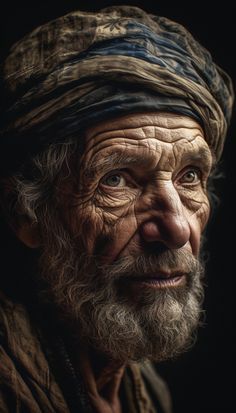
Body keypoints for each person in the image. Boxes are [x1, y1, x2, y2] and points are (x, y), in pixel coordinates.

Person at [0, 5, 234, 413]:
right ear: (27, 214)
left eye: (190, 176)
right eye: (116, 179)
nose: (177, 227)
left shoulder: (146, 391)